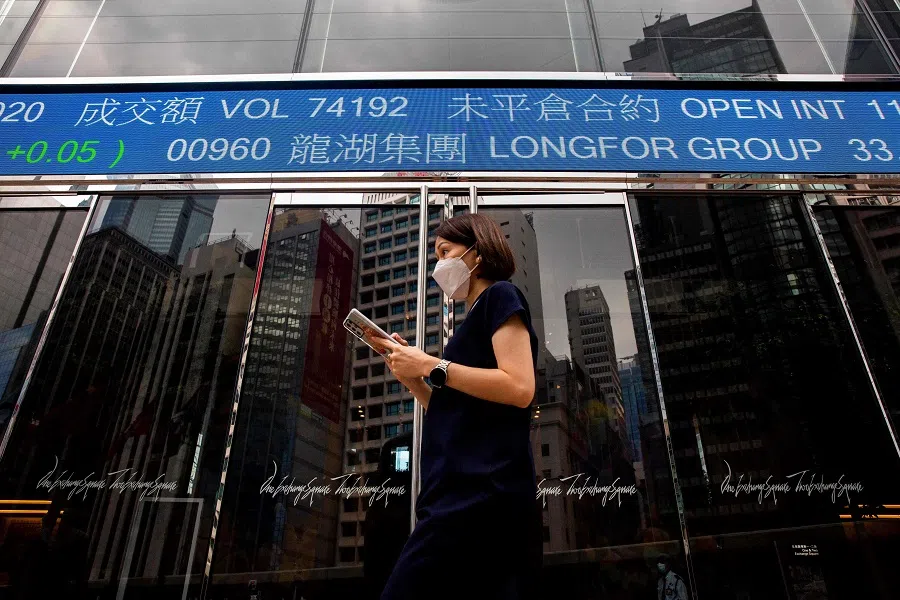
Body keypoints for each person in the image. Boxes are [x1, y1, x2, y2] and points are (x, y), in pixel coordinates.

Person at [367, 213, 543, 600]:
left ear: (477, 252)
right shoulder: (471, 322)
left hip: (482, 494)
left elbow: (519, 386)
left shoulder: (501, 296)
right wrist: (412, 376)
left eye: (445, 251)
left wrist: (431, 364)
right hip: (456, 493)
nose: (438, 265)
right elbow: (454, 414)